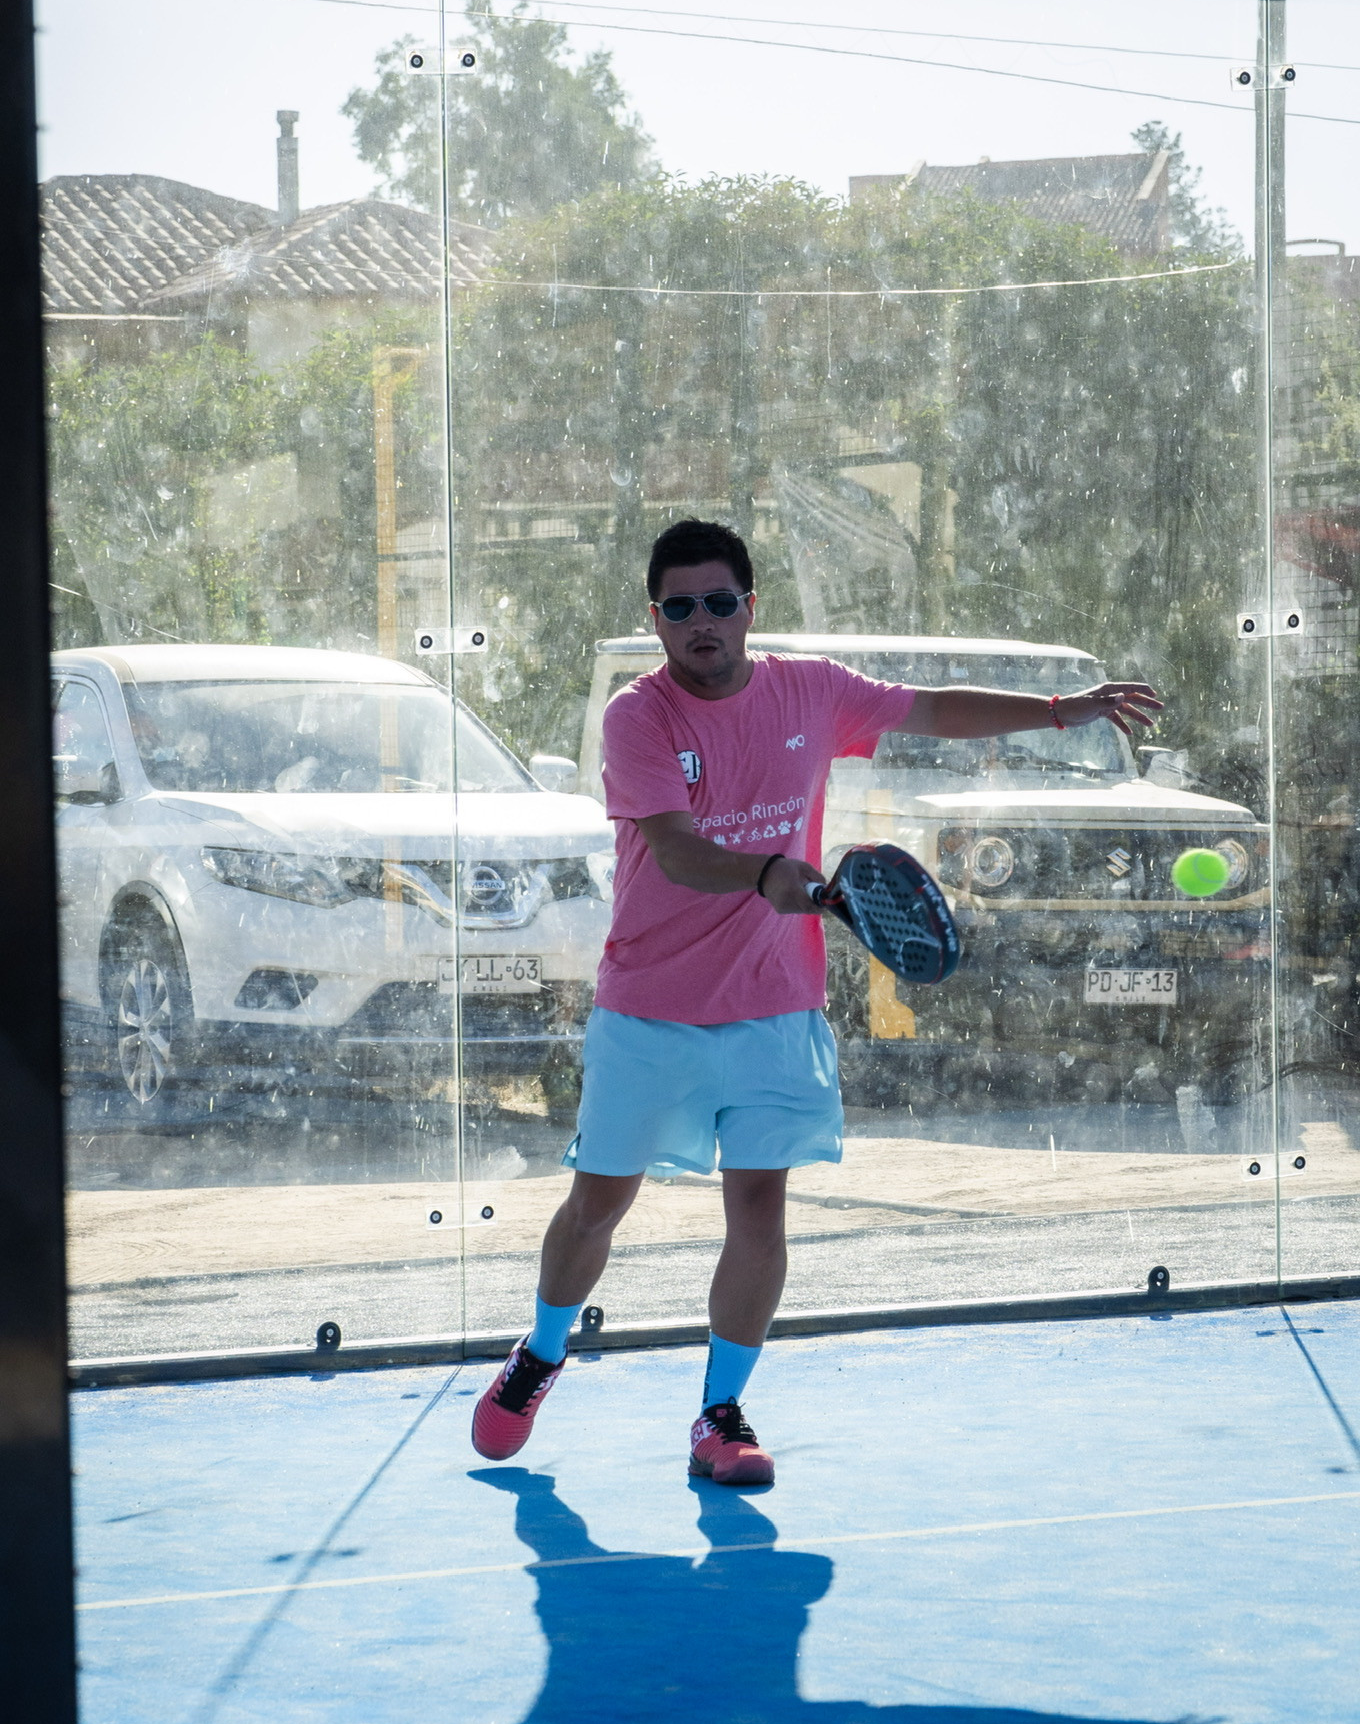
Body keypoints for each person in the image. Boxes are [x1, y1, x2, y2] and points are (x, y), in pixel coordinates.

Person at [471, 518, 1161, 1486]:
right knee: (598, 1206)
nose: (702, 622)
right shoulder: (638, 716)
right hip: (650, 1011)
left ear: (749, 608)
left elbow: (931, 711)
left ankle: (720, 1415)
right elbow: (675, 850)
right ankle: (543, 1352)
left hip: (776, 1008)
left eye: (719, 603)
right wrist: (766, 873)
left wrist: (1059, 710)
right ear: (657, 618)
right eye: (680, 607)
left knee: (760, 1210)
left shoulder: (813, 690)